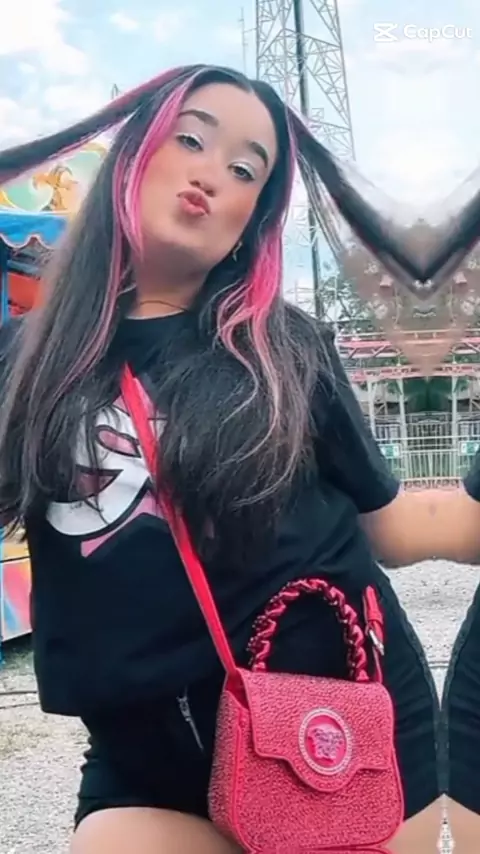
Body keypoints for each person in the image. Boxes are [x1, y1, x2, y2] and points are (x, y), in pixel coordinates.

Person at [0, 65, 442, 854]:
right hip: (148, 758)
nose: (211, 173)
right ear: (134, 156)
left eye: (245, 170)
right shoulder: (24, 361)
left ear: (252, 220)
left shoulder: (284, 348)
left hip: (336, 734)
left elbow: (392, 526)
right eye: (191, 138)